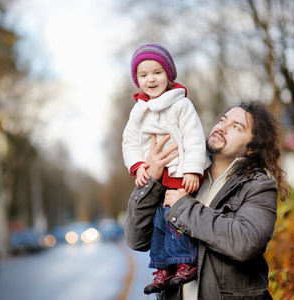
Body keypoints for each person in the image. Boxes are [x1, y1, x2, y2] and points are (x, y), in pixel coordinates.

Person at [124, 101, 290, 299]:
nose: (221, 128)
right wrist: (151, 181)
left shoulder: (258, 186)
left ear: (251, 149)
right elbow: (136, 240)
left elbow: (246, 243)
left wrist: (183, 207)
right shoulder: (180, 173)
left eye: (236, 127)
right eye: (222, 121)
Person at [122, 44, 210, 294]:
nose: (151, 79)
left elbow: (194, 137)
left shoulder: (181, 104)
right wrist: (139, 165)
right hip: (157, 177)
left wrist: (193, 170)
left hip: (180, 173)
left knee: (177, 220)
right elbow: (129, 142)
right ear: (137, 80)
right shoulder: (137, 111)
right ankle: (162, 267)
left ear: (169, 75)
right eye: (143, 75)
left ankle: (185, 261)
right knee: (159, 222)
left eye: (157, 72)